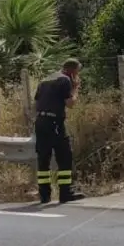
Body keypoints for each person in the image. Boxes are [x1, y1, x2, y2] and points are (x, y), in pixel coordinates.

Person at [34, 58, 85, 204]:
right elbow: (70, 104)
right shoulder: (65, 81)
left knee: (43, 158)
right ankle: (65, 193)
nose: (77, 75)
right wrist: (75, 88)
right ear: (72, 70)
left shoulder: (45, 80)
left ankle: (44, 195)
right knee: (64, 156)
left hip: (40, 122)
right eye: (77, 72)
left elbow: (36, 102)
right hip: (54, 122)